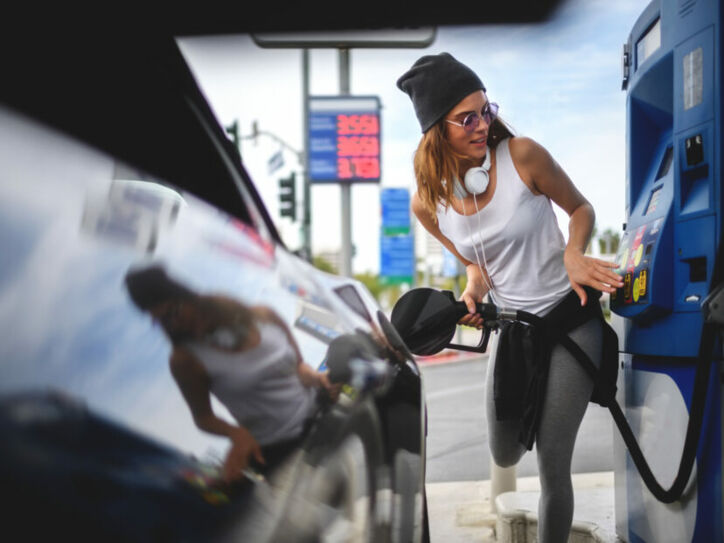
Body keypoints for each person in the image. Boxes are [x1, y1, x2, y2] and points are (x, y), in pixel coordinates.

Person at [397, 52, 623, 542]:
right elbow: (474, 260)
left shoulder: (522, 155)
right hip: (514, 329)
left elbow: (581, 208)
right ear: (438, 129)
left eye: (486, 109)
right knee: (503, 451)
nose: (484, 124)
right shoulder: (427, 202)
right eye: (468, 117)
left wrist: (574, 253)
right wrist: (475, 287)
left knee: (552, 462)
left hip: (570, 320)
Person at [124, 264, 339, 483]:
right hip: (280, 453)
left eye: (173, 312)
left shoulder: (264, 316)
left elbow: (298, 367)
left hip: (322, 421)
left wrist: (319, 379)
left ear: (189, 298)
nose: (173, 323)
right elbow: (203, 418)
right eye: (161, 321)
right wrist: (236, 433)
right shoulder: (185, 360)